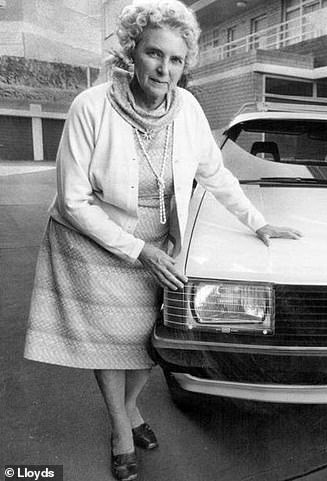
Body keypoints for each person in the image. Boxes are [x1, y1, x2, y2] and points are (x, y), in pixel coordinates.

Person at [23, 1, 302, 480]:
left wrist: (258, 223)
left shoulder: (188, 109)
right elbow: (72, 201)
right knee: (109, 342)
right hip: (93, 240)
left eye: (176, 60)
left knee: (150, 341)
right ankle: (121, 430)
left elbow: (215, 174)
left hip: (157, 241)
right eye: (155, 54)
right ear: (133, 52)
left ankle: (132, 409)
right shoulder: (90, 107)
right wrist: (137, 250)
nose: (164, 69)